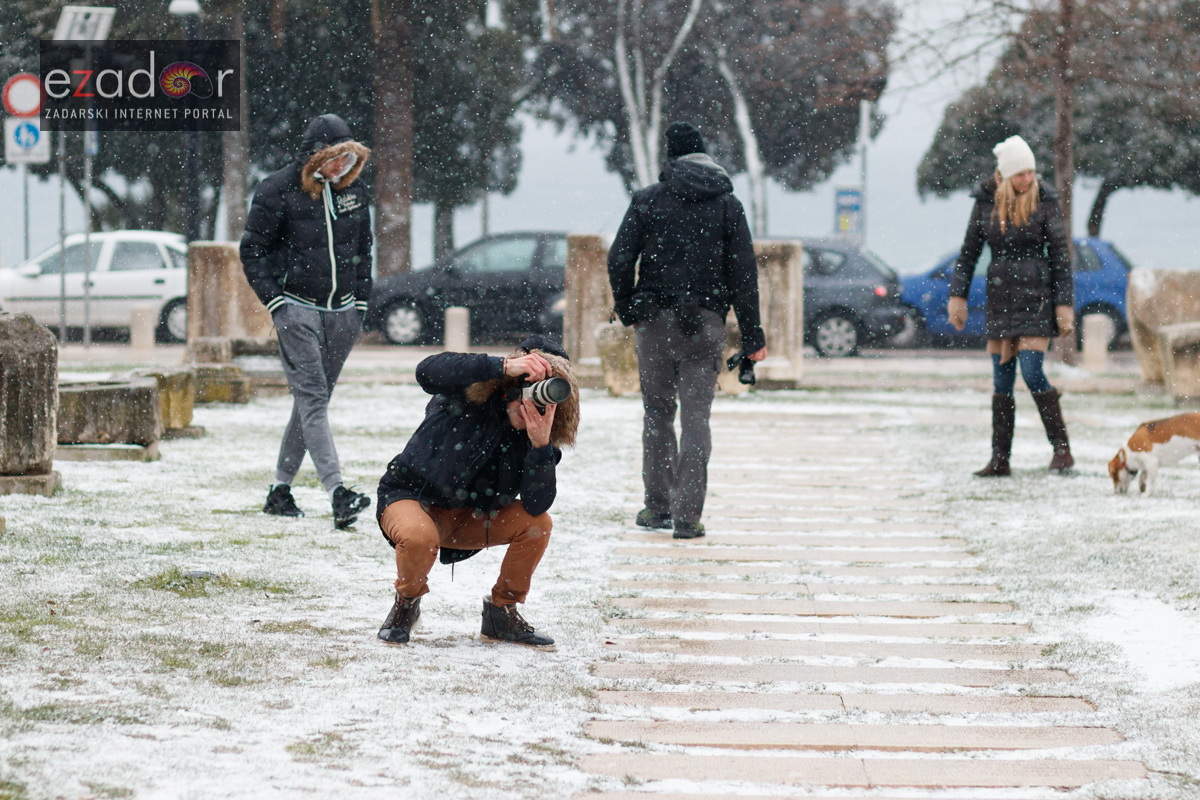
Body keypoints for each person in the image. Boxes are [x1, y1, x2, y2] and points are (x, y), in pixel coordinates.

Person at [607, 121, 768, 539]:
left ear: (670, 157)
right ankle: (687, 516)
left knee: (657, 413)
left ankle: (656, 507)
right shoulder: (727, 205)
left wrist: (627, 308)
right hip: (705, 323)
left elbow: (619, 259)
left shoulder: (647, 200)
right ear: (705, 154)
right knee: (697, 418)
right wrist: (753, 336)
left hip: (654, 321)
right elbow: (743, 274)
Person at [374, 336, 579, 649]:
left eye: (543, 395)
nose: (530, 403)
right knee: (417, 535)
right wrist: (503, 365)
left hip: (473, 518)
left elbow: (537, 505)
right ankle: (406, 606)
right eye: (526, 387)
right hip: (414, 500)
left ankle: (502, 614)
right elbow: (426, 370)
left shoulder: (537, 440)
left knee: (538, 524)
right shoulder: (466, 394)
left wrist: (539, 446)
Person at [240, 113, 375, 527]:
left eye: (349, 159)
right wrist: (277, 303)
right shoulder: (277, 190)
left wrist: (361, 307)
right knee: (314, 399)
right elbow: (252, 251)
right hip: (297, 310)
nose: (341, 167)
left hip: (343, 314)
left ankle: (280, 490)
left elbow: (364, 251)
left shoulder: (353, 192)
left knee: (310, 403)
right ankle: (338, 493)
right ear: (315, 155)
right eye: (335, 158)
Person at [948, 134, 1075, 476]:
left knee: (1033, 372)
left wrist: (1064, 306)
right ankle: (1000, 459)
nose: (1028, 179)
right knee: (1001, 382)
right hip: (1000, 299)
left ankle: (1062, 450)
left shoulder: (1046, 200)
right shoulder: (985, 202)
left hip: (1037, 299)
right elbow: (968, 253)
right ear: (1004, 176)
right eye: (1021, 173)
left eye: (1031, 172)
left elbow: (1062, 258)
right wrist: (957, 296)